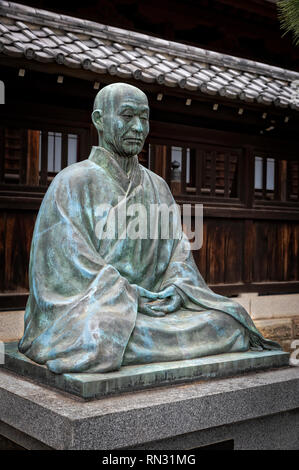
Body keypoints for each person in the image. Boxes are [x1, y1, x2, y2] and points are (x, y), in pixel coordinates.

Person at [18, 83, 280, 374]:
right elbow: (65, 266)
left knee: (228, 322)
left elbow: (178, 252)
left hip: (156, 309)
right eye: (127, 116)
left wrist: (176, 290)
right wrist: (128, 295)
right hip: (101, 308)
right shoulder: (72, 182)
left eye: (144, 118)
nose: (138, 127)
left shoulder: (158, 185)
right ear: (99, 120)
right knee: (100, 334)